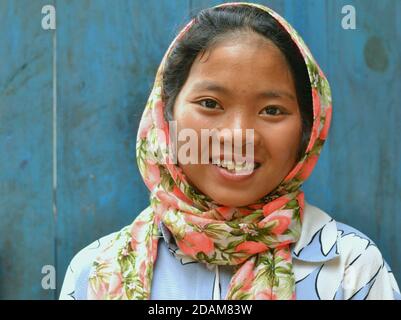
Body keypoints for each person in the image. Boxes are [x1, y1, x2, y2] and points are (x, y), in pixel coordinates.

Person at [60, 2, 400, 300]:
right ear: (165, 115)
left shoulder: (350, 269)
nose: (238, 135)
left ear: (308, 131)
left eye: (271, 110)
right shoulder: (95, 271)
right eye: (210, 104)